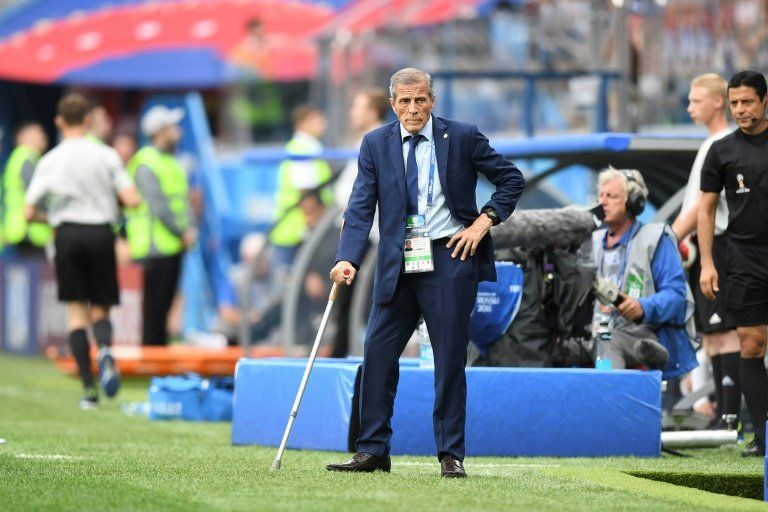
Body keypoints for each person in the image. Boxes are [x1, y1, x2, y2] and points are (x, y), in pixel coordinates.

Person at [326, 68, 525, 477]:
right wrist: (347, 257)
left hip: (450, 257)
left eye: (420, 100)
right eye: (404, 101)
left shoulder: (464, 136)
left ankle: (450, 455)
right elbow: (361, 206)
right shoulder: (375, 143)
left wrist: (482, 222)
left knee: (449, 360)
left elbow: (511, 179)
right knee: (378, 354)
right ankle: (372, 450)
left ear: (432, 101)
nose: (413, 109)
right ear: (393, 104)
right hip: (398, 262)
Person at [24, 93, 141, 409]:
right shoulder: (106, 155)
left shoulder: (51, 159)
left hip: (68, 233)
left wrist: (54, 216)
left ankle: (89, 390)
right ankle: (104, 349)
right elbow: (133, 199)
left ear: (59, 121)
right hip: (102, 233)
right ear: (88, 121)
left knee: (76, 312)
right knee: (100, 307)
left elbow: (27, 210)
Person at [699, 70, 768, 457]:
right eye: (735, 102)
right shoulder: (721, 150)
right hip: (742, 258)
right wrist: (708, 262)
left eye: (748, 102)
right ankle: (762, 435)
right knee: (751, 343)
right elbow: (707, 210)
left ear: (765, 101)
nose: (740, 109)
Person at [671, 73, 740, 429]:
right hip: (710, 247)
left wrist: (667, 239)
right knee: (711, 336)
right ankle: (720, 411)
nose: (689, 107)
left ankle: (730, 416)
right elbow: (691, 203)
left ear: (717, 102)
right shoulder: (709, 144)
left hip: (725, 247)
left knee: (725, 331)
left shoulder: (724, 142)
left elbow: (702, 207)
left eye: (695, 100)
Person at [591, 168, 697, 376]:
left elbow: (676, 296)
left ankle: (612, 407)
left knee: (608, 341)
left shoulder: (655, 239)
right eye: (600, 196)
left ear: (633, 202)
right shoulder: (591, 242)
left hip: (643, 333)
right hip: (595, 330)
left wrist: (643, 306)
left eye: (611, 196)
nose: (602, 202)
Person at [126, 105, 196, 346]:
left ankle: (158, 354)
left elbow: (182, 201)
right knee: (154, 309)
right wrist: (183, 231)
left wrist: (189, 229)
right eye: (172, 127)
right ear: (159, 131)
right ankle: (150, 355)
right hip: (155, 246)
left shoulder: (172, 161)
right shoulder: (146, 162)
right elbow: (158, 206)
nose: (177, 131)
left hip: (173, 245)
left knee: (164, 307)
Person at [269, 104, 332, 267]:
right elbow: (307, 195)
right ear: (302, 123)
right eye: (316, 119)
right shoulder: (303, 149)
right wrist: (318, 226)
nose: (322, 122)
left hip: (292, 231)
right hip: (297, 233)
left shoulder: (303, 147)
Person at [2, 122, 50, 258]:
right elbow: (37, 193)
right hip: (29, 231)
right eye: (39, 133)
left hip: (19, 230)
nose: (44, 136)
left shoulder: (18, 158)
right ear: (25, 137)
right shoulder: (26, 157)